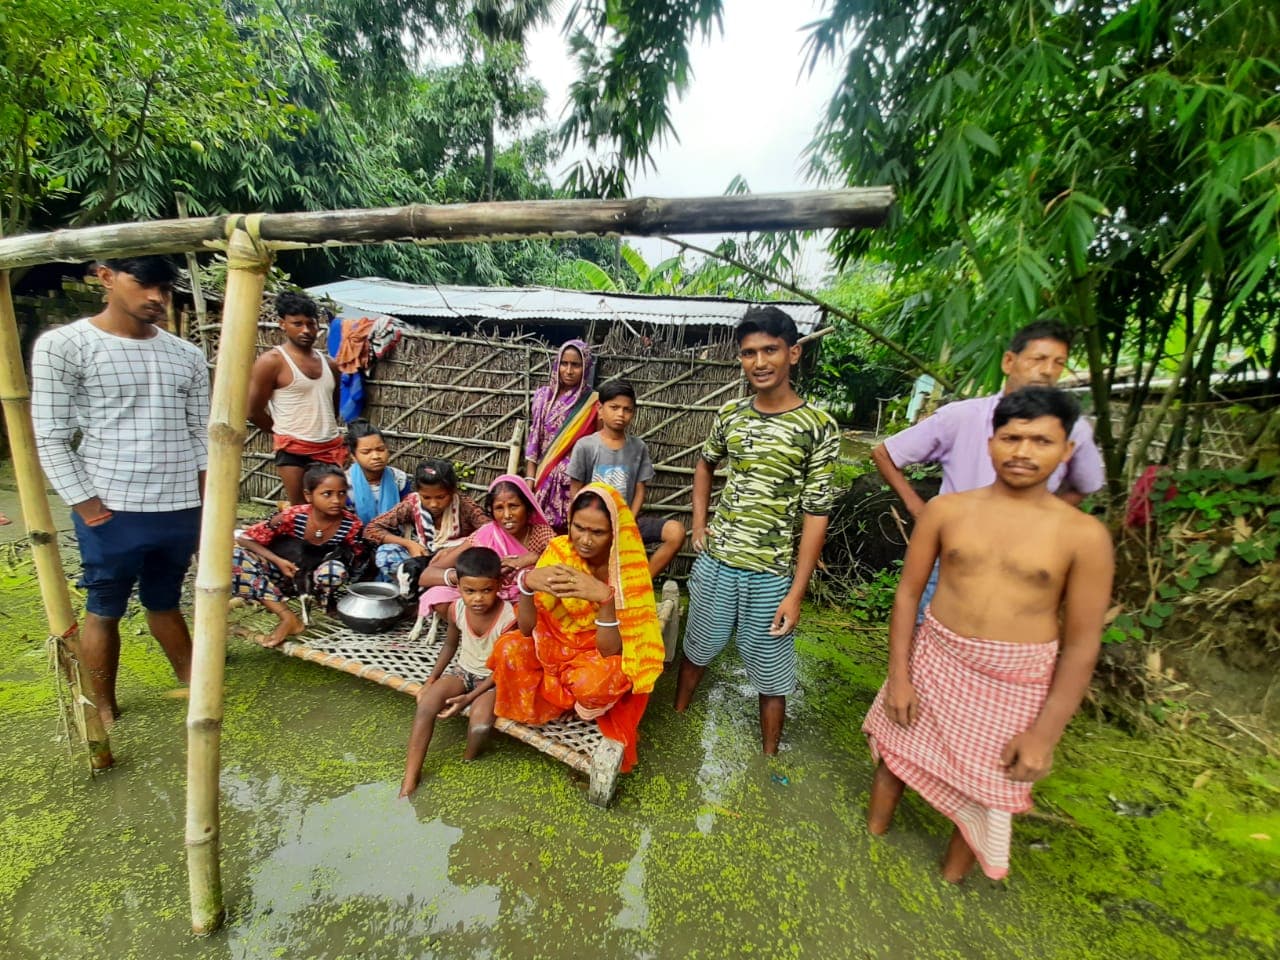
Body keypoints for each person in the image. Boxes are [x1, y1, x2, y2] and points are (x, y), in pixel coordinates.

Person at [862, 386, 1113, 883]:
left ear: (1066, 452)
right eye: (1011, 437)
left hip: (1016, 681)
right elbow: (909, 595)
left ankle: (950, 879)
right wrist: (900, 676)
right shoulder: (947, 511)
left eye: (1040, 441)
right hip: (936, 656)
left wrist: (1044, 734)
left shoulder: (1083, 536)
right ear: (991, 442)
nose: (1022, 452)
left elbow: (1082, 645)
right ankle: (870, 839)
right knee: (896, 757)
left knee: (988, 788)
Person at [31, 255, 208, 730]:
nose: (157, 298)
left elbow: (200, 435)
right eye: (145, 284)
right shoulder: (66, 345)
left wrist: (206, 503)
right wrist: (86, 504)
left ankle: (198, 689)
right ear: (106, 276)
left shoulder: (186, 355)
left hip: (179, 506)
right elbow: (50, 434)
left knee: (166, 598)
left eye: (165, 289)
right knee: (104, 606)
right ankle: (102, 703)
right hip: (111, 508)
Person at [673, 306, 840, 755]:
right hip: (718, 562)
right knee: (696, 650)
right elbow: (705, 463)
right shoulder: (730, 415)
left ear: (794, 354)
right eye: (749, 353)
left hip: (771, 573)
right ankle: (677, 719)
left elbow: (817, 512)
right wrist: (700, 523)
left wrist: (796, 593)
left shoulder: (819, 427)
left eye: (770, 350)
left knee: (771, 669)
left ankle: (769, 756)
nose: (760, 362)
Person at [870, 321, 1106, 617]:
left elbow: (1084, 484)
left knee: (1008, 633)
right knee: (930, 627)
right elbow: (885, 453)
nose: (1047, 371)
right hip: (953, 549)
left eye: (1058, 363)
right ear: (1009, 361)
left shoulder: (1074, 430)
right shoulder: (963, 417)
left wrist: (1046, 518)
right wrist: (919, 508)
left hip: (1027, 553)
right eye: (1038, 359)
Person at [488, 484, 665, 771]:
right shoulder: (559, 551)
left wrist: (605, 599)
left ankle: (576, 707)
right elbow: (525, 628)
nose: (585, 540)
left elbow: (612, 650)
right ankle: (554, 705)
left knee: (597, 682)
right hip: (553, 641)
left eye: (597, 533)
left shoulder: (627, 569)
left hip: (597, 650)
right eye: (578, 527)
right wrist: (526, 585)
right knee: (510, 649)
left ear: (615, 533)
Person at [399, 546, 516, 797]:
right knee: (426, 704)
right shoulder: (456, 610)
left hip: (493, 681)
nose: (477, 598)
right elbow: (450, 645)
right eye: (469, 591)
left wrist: (469, 698)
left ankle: (468, 760)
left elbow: (502, 670)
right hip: (463, 672)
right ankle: (410, 779)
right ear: (459, 587)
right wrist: (431, 680)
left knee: (480, 725)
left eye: (486, 590)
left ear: (499, 586)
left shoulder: (509, 618)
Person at [231, 464, 367, 648]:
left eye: (342, 493)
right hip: (279, 577)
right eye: (327, 494)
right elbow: (246, 539)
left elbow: (358, 556)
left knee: (334, 570)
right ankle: (287, 617)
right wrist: (276, 560)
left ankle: (324, 599)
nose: (336, 500)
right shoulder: (291, 517)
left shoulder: (351, 525)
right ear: (308, 495)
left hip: (315, 581)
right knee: (234, 558)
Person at [568, 378, 687, 578]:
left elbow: (640, 489)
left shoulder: (638, 447)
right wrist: (582, 522)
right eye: (614, 407)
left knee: (676, 532)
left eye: (627, 409)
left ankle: (640, 584)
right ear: (600, 408)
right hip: (594, 525)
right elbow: (576, 489)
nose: (620, 414)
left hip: (626, 521)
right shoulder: (586, 446)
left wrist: (629, 520)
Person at [248, 291, 345, 506]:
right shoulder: (272, 362)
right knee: (300, 510)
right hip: (293, 451)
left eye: (311, 324)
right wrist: (281, 431)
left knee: (330, 508)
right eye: (297, 324)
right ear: (282, 324)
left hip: (329, 447)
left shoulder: (330, 364)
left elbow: (334, 407)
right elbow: (253, 411)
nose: (306, 330)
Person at [417, 474, 555, 617]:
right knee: (439, 596)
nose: (507, 515)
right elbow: (427, 575)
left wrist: (532, 559)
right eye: (499, 508)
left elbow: (564, 563)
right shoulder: (486, 534)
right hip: (486, 599)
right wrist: (474, 577)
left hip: (526, 601)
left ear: (527, 507)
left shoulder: (541, 533)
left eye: (514, 506)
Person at [363, 459, 488, 582]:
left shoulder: (465, 507)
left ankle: (435, 584)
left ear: (452, 491)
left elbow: (490, 532)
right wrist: (409, 544)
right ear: (418, 492)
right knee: (386, 554)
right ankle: (413, 586)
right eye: (426, 497)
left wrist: (454, 551)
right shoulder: (412, 505)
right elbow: (371, 529)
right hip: (421, 557)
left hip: (454, 563)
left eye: (441, 497)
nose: (433, 504)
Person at [524, 339, 598, 531]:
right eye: (564, 363)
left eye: (576, 365)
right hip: (541, 480)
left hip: (572, 484)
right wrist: (530, 479)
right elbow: (534, 441)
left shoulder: (592, 404)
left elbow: (595, 448)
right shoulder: (542, 397)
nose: (569, 370)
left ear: (586, 367)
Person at [343, 420, 412, 526]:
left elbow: (408, 516)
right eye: (366, 452)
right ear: (353, 456)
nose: (376, 456)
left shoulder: (399, 479)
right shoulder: (344, 483)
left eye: (380, 449)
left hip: (395, 536)